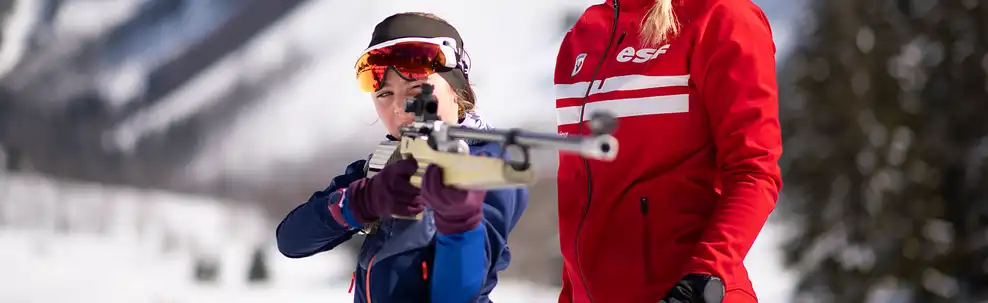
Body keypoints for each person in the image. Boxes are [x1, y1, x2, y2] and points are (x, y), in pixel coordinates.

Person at [276, 12, 528, 303]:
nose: (399, 107)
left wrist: (460, 223)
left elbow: (458, 295)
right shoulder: (386, 163)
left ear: (457, 91)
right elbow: (291, 241)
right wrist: (359, 202)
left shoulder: (488, 164)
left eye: (416, 90)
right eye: (384, 94)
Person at [553, 0, 782, 302]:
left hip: (686, 293)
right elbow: (578, 197)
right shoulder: (584, 34)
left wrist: (701, 278)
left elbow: (754, 171)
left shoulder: (722, 17)